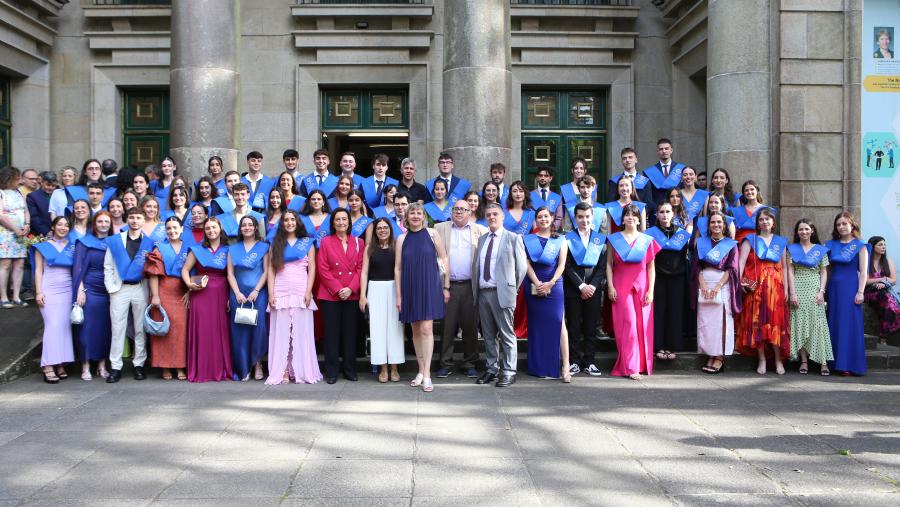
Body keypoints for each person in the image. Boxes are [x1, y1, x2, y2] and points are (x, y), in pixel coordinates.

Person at [472, 204, 527, 387]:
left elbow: (521, 268)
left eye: (495, 214)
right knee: (488, 335)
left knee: (506, 334)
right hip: (483, 293)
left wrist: (511, 288)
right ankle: (491, 369)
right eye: (488, 215)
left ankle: (509, 371)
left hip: (502, 293)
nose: (491, 217)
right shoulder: (482, 239)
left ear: (503, 217)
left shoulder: (513, 238)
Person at [396, 203, 448, 392]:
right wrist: (399, 296)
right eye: (412, 213)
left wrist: (446, 286)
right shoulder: (401, 238)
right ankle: (420, 370)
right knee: (416, 330)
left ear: (424, 217)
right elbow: (398, 268)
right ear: (406, 217)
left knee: (426, 328)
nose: (416, 216)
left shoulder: (433, 234)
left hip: (429, 286)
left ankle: (427, 374)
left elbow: (444, 259)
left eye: (419, 213)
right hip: (409, 287)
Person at [266, 210, 321, 384]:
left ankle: (300, 370)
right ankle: (282, 370)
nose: (289, 223)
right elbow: (271, 270)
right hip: (280, 290)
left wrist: (308, 291)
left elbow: (312, 269)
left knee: (302, 333)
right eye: (286, 220)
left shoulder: (307, 243)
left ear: (297, 223)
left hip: (300, 290)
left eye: (292, 220)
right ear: (281, 224)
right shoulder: (275, 243)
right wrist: (271, 293)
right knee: (281, 333)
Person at [606, 204, 660, 379]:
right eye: (627, 214)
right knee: (628, 323)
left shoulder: (647, 240)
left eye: (634, 215)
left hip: (642, 285)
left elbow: (651, 268)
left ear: (639, 219)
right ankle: (630, 367)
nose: (630, 217)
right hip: (621, 284)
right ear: (622, 219)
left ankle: (641, 364)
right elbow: (608, 264)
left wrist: (651, 290)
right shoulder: (613, 239)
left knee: (642, 325)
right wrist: (610, 286)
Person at [434, 200, 487, 379]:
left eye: (463, 209)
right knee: (446, 327)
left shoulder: (480, 230)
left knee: (470, 327)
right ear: (451, 211)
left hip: (470, 286)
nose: (458, 212)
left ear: (470, 212)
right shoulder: (439, 228)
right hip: (447, 286)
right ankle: (445, 363)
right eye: (456, 209)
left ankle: (470, 363)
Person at [103, 206, 154, 383]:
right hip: (120, 289)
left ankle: (139, 364)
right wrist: (111, 288)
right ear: (127, 220)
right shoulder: (115, 241)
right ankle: (115, 367)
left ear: (143, 220)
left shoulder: (150, 243)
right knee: (118, 328)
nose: (135, 221)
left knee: (140, 328)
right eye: (132, 217)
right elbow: (108, 266)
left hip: (140, 288)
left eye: (138, 218)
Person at [737, 208, 790, 375]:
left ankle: (778, 359)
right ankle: (762, 359)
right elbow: (741, 263)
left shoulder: (780, 242)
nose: (765, 222)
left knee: (775, 322)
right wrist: (740, 282)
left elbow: (785, 267)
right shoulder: (750, 240)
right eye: (761, 219)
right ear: (757, 223)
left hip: (776, 287)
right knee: (757, 322)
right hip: (756, 287)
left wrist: (787, 289)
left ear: (773, 222)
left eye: (768, 219)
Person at [181, 217, 232, 382]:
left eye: (214, 227)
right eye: (208, 228)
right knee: (203, 331)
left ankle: (219, 369)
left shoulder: (228, 250)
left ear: (220, 229)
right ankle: (202, 370)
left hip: (222, 294)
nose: (211, 231)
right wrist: (189, 285)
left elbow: (232, 275)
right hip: (201, 294)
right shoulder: (197, 249)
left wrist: (231, 296)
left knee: (219, 331)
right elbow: (185, 270)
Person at [317, 208, 364, 383]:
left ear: (349, 222)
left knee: (349, 333)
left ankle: (350, 369)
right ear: (333, 223)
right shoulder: (326, 242)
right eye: (338, 219)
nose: (341, 222)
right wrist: (338, 289)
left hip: (351, 294)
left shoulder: (359, 242)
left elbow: (361, 268)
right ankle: (331, 371)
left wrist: (351, 288)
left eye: (344, 219)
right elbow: (323, 268)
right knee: (331, 334)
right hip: (331, 295)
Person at [691, 212, 741, 373]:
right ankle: (710, 354)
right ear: (708, 225)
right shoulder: (701, 243)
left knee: (721, 322)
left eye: (719, 222)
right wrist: (703, 285)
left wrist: (717, 287)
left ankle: (719, 356)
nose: (716, 225)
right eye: (713, 222)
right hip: (704, 285)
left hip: (722, 285)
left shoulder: (731, 245)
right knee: (706, 322)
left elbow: (732, 269)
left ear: (724, 225)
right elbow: (696, 266)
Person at [523, 206, 570, 381]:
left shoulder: (560, 240)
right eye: (540, 217)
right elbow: (526, 263)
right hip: (533, 282)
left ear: (551, 219)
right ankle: (539, 366)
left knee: (559, 322)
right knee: (536, 324)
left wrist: (551, 282)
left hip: (554, 284)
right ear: (536, 220)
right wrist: (537, 282)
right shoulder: (528, 239)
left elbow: (562, 265)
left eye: (546, 216)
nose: (543, 219)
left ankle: (565, 366)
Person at [144, 216, 190, 381]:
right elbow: (153, 275)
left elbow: (193, 271)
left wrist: (190, 290)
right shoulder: (159, 248)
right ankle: (165, 366)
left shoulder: (189, 248)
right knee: (164, 329)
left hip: (182, 292)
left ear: (182, 229)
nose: (172, 231)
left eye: (175, 227)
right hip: (163, 291)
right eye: (169, 228)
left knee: (180, 331)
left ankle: (180, 365)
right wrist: (155, 295)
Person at [564, 202, 607, 377]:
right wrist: (581, 286)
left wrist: (592, 286)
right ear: (575, 218)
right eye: (580, 217)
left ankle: (589, 362)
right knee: (574, 327)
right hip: (573, 289)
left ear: (592, 217)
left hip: (593, 290)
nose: (584, 220)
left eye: (587, 216)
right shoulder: (568, 238)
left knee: (590, 327)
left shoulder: (600, 239)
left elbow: (602, 266)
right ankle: (574, 361)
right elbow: (566, 266)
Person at [359, 217, 404, 383]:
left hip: (393, 289)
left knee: (395, 328)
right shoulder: (369, 248)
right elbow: (364, 272)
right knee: (377, 329)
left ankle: (394, 367)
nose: (382, 230)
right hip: (375, 289)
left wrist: (401, 294)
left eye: (385, 228)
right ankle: (383, 367)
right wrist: (362, 295)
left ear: (390, 230)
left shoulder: (396, 247)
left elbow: (400, 270)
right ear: (375, 231)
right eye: (379, 228)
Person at [787, 219, 833, 375]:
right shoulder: (792, 249)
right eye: (801, 229)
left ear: (812, 230)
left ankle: (823, 362)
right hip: (798, 289)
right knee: (799, 324)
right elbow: (790, 271)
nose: (804, 232)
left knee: (818, 325)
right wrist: (792, 293)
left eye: (807, 229)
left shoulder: (820, 250)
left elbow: (824, 272)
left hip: (815, 289)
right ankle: (804, 361)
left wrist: (822, 291)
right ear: (797, 232)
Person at [825, 212, 869, 376]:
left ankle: (851, 364)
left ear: (852, 225)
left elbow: (863, 272)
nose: (841, 227)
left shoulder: (860, 245)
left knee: (849, 325)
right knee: (835, 323)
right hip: (834, 289)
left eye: (844, 223)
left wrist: (860, 292)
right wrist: (823, 290)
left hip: (851, 289)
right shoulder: (830, 244)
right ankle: (836, 364)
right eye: (838, 224)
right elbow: (827, 270)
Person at [33, 216, 76, 383]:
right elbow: (38, 270)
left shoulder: (72, 247)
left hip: (67, 289)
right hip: (49, 288)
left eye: (66, 225)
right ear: (53, 226)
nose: (63, 228)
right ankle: (48, 365)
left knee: (64, 327)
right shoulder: (43, 247)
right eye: (60, 224)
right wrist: (39, 292)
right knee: (52, 326)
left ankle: (61, 363)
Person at [226, 216, 269, 381]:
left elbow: (266, 271)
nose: (247, 227)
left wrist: (256, 290)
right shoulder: (233, 248)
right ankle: (244, 367)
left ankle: (257, 363)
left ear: (256, 228)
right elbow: (230, 273)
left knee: (258, 328)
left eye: (250, 225)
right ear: (240, 229)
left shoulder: (264, 247)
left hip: (258, 293)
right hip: (238, 294)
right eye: (244, 225)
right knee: (241, 330)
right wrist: (237, 292)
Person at [646, 202, 690, 361]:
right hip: (657, 276)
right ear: (657, 215)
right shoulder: (650, 233)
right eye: (662, 212)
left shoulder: (681, 234)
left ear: (673, 214)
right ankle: (658, 346)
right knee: (658, 311)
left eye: (668, 212)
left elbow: (684, 255)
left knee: (675, 311)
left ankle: (672, 345)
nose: (665, 215)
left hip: (677, 277)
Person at [72, 212, 113, 380]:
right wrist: (80, 289)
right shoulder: (84, 242)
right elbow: (78, 268)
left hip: (109, 290)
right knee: (87, 329)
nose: (103, 224)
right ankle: (86, 366)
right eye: (100, 221)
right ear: (94, 224)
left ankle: (102, 365)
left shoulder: (114, 242)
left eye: (106, 221)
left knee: (105, 329)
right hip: (90, 289)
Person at [0, 166, 29, 308]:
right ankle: (3, 297)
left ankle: (16, 296)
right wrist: (15, 229)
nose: (20, 181)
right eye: (17, 178)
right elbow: (1, 215)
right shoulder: (1, 193)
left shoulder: (19, 192)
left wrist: (27, 224)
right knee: (5, 264)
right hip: (5, 233)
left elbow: (26, 210)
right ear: (9, 179)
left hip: (20, 233)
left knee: (20, 263)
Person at [865, 236, 900, 344]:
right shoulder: (866, 261)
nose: (883, 247)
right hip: (870, 292)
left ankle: (884, 336)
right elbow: (865, 281)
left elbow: (893, 280)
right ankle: (883, 336)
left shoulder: (888, 261)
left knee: (888, 305)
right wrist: (882, 279)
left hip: (885, 291)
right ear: (872, 247)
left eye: (884, 244)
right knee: (887, 300)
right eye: (880, 245)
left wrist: (882, 283)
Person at [642, 138, 686, 218]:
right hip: (658, 213)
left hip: (678, 212)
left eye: (666, 148)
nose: (664, 151)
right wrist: (657, 211)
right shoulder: (649, 172)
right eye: (661, 149)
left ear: (671, 150)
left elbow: (684, 191)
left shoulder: (681, 169)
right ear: (657, 151)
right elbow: (648, 196)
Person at [530, 166, 564, 230]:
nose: (543, 178)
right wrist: (536, 230)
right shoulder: (530, 196)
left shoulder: (557, 197)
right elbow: (529, 216)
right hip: (534, 232)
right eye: (540, 175)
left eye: (546, 176)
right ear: (537, 177)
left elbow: (559, 218)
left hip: (551, 232)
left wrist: (551, 230)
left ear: (550, 178)